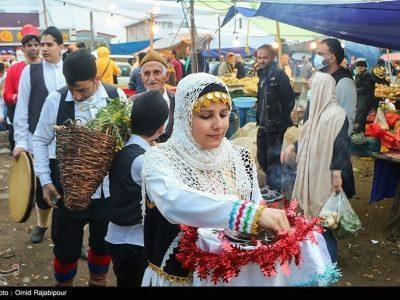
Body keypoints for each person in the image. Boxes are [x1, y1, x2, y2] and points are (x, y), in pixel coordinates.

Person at [141, 73, 295, 286]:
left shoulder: (239, 157)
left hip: (235, 278)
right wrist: (249, 214)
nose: (218, 125)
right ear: (185, 117)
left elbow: (255, 204)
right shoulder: (159, 159)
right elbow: (174, 202)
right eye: (206, 116)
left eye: (223, 114)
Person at [32, 49, 127, 287]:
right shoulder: (55, 100)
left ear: (97, 79)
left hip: (106, 195)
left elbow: (128, 142)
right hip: (66, 192)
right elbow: (40, 141)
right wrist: (45, 181)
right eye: (71, 89)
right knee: (65, 252)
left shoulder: (117, 98)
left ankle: (98, 282)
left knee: (102, 247)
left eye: (82, 90)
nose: (75, 96)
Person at [283, 72, 355, 264]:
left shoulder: (338, 115)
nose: (311, 95)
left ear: (323, 90)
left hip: (325, 175)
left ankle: (329, 263)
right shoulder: (316, 114)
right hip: (311, 172)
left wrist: (337, 176)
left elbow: (341, 148)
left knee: (325, 221)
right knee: (311, 220)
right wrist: (294, 146)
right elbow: (309, 137)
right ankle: (313, 260)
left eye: (314, 91)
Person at [106, 90, 169, 287]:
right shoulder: (141, 161)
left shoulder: (124, 147)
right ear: (161, 128)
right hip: (132, 243)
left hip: (120, 238)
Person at [13, 26, 66, 245]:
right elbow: (23, 108)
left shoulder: (69, 70)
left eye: (49, 44)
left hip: (68, 145)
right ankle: (42, 224)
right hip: (39, 144)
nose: (43, 48)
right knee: (42, 191)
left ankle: (69, 236)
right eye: (41, 44)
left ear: (60, 47)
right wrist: (20, 141)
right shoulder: (30, 72)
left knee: (69, 193)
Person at [256, 44, 295, 195]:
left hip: (276, 124)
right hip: (263, 124)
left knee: (273, 157)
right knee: (262, 156)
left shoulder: (279, 75)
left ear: (272, 57)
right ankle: (274, 182)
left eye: (264, 57)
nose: (261, 61)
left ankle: (275, 188)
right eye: (259, 57)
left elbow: (290, 100)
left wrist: (281, 118)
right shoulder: (261, 74)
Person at [303, 38, 357, 136]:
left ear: (332, 58)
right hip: (315, 139)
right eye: (316, 54)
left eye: (320, 54)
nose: (316, 57)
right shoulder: (321, 78)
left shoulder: (344, 82)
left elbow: (347, 121)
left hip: (329, 145)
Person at [3, 26, 41, 154]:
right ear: (23, 48)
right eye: (29, 45)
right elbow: (7, 95)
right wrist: (24, 98)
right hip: (20, 119)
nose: (33, 48)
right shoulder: (14, 69)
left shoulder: (47, 67)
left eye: (36, 44)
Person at [131, 49, 175, 143]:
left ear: (166, 76)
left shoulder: (177, 101)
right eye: (147, 73)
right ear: (141, 77)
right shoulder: (132, 102)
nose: (151, 78)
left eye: (156, 72)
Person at [354, 59, 375, 132]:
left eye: (361, 66)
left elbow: (366, 88)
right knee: (360, 116)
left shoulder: (367, 74)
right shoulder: (359, 74)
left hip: (365, 99)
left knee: (360, 116)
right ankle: (360, 131)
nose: (359, 67)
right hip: (361, 98)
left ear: (364, 67)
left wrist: (355, 91)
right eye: (358, 66)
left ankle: (358, 132)